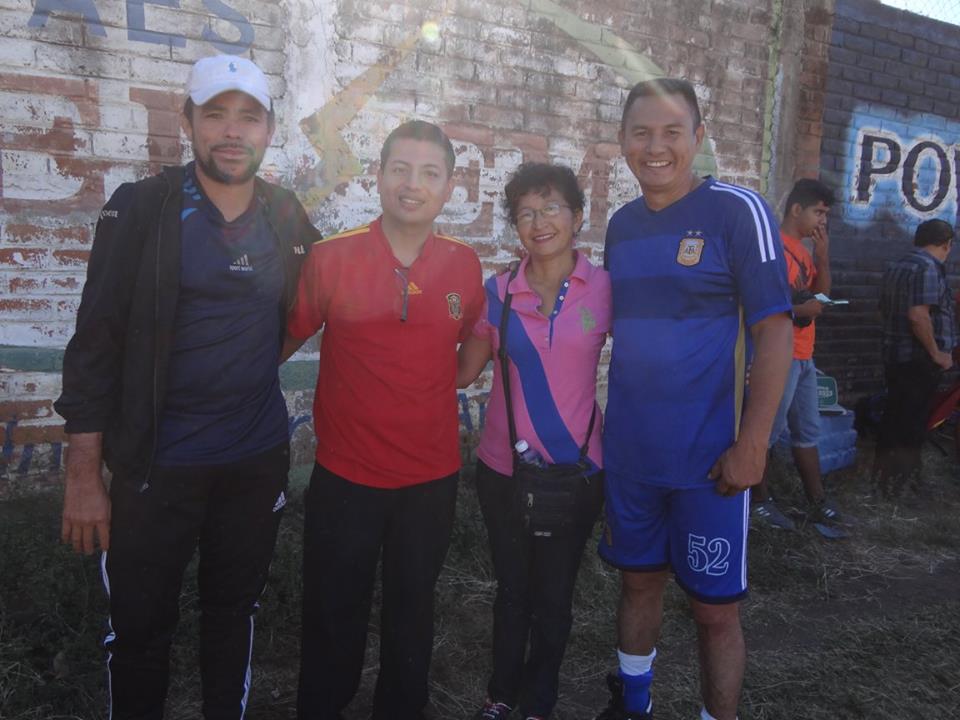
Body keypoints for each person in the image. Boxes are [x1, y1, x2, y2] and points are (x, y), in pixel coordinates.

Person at [54, 55, 318, 719]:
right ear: (188, 123)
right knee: (141, 630)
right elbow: (94, 344)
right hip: (155, 465)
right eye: (216, 114)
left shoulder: (287, 216)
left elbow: (300, 312)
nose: (233, 131)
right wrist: (85, 477)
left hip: (252, 462)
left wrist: (255, 361)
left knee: (234, 616)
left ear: (270, 129)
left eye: (248, 117)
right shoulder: (142, 209)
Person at [596, 78, 793, 720]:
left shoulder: (738, 212)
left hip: (711, 464)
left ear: (699, 139)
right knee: (638, 583)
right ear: (623, 142)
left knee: (714, 610)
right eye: (641, 132)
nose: (656, 147)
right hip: (630, 456)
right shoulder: (621, 228)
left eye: (672, 132)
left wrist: (754, 443)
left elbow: (775, 330)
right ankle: (633, 705)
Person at [285, 120, 484, 720]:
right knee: (330, 611)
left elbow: (473, 346)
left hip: (430, 478)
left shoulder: (463, 266)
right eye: (400, 168)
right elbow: (277, 341)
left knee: (412, 611)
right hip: (345, 475)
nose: (412, 184)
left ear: (449, 187)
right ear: (378, 175)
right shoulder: (331, 258)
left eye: (429, 173)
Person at [457, 163, 610, 720]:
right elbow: (461, 372)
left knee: (555, 596)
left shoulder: (605, 288)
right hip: (504, 471)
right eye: (526, 212)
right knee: (513, 589)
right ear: (514, 225)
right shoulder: (496, 293)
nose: (539, 222)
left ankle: (539, 699)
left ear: (577, 217)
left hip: (580, 472)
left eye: (551, 208)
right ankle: (501, 695)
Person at [751, 178, 841, 530]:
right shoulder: (773, 247)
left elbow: (822, 297)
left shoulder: (805, 251)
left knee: (808, 430)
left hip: (804, 355)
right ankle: (758, 501)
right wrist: (806, 309)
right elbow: (767, 303)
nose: (822, 221)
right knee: (766, 431)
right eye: (818, 212)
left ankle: (818, 501)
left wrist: (823, 257)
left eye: (826, 214)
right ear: (796, 209)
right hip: (779, 356)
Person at [874, 219, 956, 496]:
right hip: (919, 361)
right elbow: (918, 316)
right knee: (912, 423)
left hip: (896, 356)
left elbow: (885, 309)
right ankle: (903, 485)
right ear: (947, 244)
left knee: (894, 417)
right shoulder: (928, 268)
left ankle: (883, 479)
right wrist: (937, 353)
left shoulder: (897, 266)